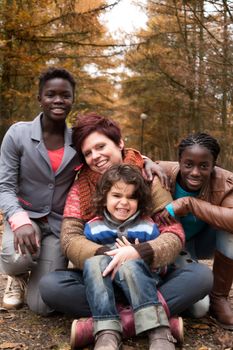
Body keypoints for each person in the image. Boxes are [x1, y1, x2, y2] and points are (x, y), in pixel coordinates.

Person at [39, 114, 213, 338]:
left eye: (101, 146)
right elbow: (70, 239)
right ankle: (150, 318)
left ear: (120, 143)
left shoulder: (148, 177)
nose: (96, 156)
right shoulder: (79, 189)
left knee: (200, 277)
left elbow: (173, 232)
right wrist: (107, 254)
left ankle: (107, 323)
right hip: (101, 278)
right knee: (51, 286)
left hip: (148, 276)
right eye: (88, 153)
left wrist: (138, 252)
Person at [0, 67, 80, 315]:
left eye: (65, 95)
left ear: (72, 99)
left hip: (57, 225)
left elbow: (109, 151)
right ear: (40, 98)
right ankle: (18, 277)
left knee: (43, 307)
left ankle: (37, 276)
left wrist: (145, 160)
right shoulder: (18, 133)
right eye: (50, 94)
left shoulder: (79, 138)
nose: (58, 100)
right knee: (17, 258)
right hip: (26, 216)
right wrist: (19, 220)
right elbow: (4, 185)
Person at [83, 163, 175, 349]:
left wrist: (142, 255)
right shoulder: (93, 228)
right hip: (107, 289)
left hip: (142, 285)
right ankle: (107, 331)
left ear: (139, 201)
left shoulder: (148, 227)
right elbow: (86, 266)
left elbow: (163, 265)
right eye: (116, 195)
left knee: (130, 265)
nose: (124, 202)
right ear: (104, 198)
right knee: (92, 263)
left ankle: (157, 329)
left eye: (131, 197)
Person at [157, 132, 233, 330]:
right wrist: (147, 161)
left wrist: (190, 203)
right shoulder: (162, 171)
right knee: (199, 309)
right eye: (188, 164)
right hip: (171, 244)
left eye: (204, 166)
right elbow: (128, 162)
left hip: (202, 241)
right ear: (179, 161)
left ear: (214, 164)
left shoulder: (225, 183)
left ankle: (219, 297)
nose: (195, 172)